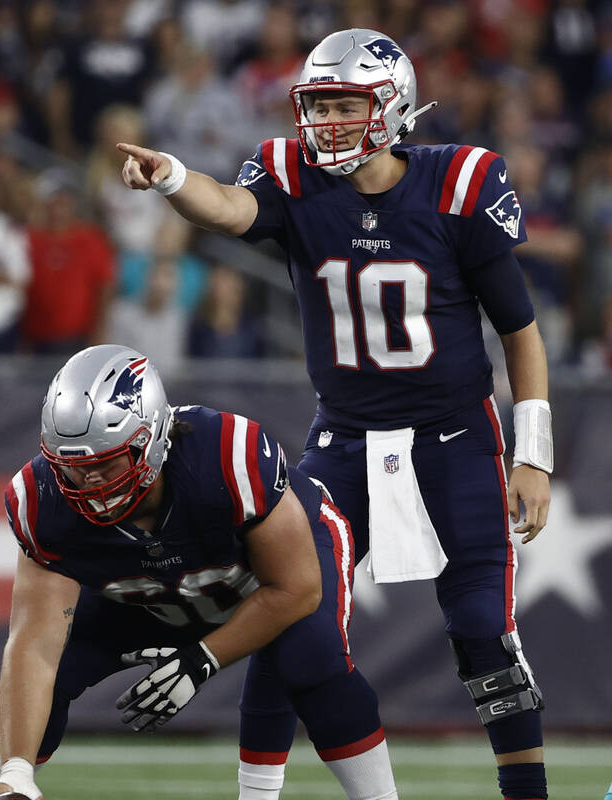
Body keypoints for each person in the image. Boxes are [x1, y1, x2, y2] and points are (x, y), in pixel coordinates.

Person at [118, 28, 551, 800]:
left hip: (455, 438)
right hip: (343, 438)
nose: (327, 122)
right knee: (288, 607)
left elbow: (519, 330)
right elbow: (226, 209)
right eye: (318, 104)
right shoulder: (294, 178)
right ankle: (257, 796)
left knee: (484, 627)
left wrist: (534, 452)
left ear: (393, 106)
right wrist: (174, 175)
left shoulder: (459, 183)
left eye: (346, 104)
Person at [0, 344, 397, 800]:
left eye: (104, 463)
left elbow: (294, 589)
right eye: (72, 468)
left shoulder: (226, 455)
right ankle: (2, 786)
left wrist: (202, 659)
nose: (89, 484)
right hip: (151, 592)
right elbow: (34, 645)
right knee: (53, 665)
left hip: (269, 572)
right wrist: (15, 770)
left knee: (311, 654)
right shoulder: (41, 501)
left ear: (153, 437)